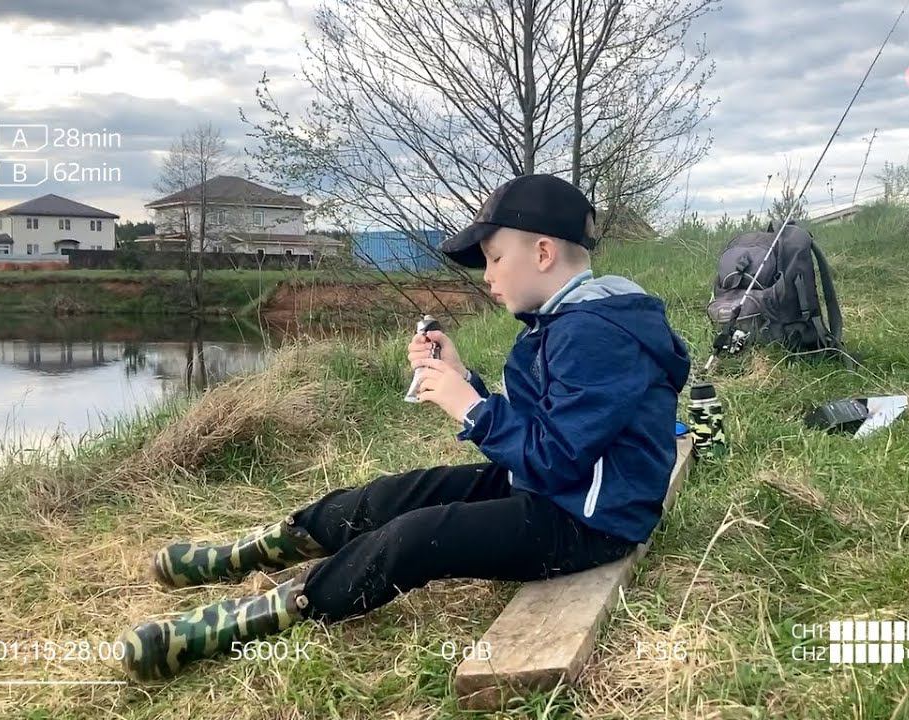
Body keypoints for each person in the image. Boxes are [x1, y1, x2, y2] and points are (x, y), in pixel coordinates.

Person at [116, 173, 691, 682]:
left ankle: (269, 611)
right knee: (396, 494)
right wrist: (466, 378)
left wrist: (469, 406)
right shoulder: (562, 319)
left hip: (589, 522)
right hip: (553, 490)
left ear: (542, 252)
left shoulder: (595, 333)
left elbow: (560, 455)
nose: (487, 276)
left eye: (494, 258)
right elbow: (547, 430)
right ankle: (251, 552)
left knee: (418, 537)